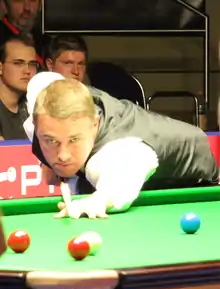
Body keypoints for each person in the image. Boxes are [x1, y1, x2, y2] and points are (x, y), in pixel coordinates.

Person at [28, 77, 218, 220]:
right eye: (51, 141)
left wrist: (99, 200)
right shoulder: (42, 118)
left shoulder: (116, 153)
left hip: (194, 185)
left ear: (95, 124)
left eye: (74, 139)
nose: (63, 155)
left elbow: (120, 182)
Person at [0, 34, 39, 140]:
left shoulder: (35, 106)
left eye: (32, 64)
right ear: (0, 67)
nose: (27, 71)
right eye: (18, 63)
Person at [0, 0, 43, 65]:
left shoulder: (48, 43)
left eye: (32, 0)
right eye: (19, 0)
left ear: (40, 5)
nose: (27, 8)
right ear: (4, 4)